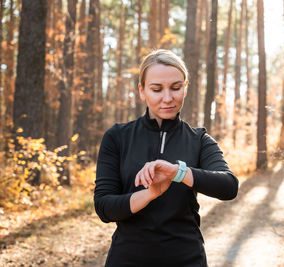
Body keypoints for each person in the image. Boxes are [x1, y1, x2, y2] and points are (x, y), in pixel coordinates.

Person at [94, 49, 239, 267]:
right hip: (127, 259)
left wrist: (178, 172)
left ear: (185, 88)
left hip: (187, 259)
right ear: (142, 91)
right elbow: (104, 207)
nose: (167, 98)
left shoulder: (199, 140)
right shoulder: (117, 137)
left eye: (176, 87)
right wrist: (150, 194)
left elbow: (229, 186)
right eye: (156, 89)